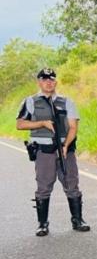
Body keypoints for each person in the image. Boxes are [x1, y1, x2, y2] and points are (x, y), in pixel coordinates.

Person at [15, 68, 90, 236]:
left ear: (55, 82)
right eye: (44, 79)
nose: (48, 82)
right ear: (39, 82)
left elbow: (73, 127)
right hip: (44, 152)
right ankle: (42, 224)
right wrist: (41, 123)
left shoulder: (66, 102)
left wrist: (65, 145)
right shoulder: (30, 101)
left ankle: (78, 220)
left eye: (51, 79)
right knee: (44, 186)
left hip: (65, 151)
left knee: (71, 183)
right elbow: (20, 124)